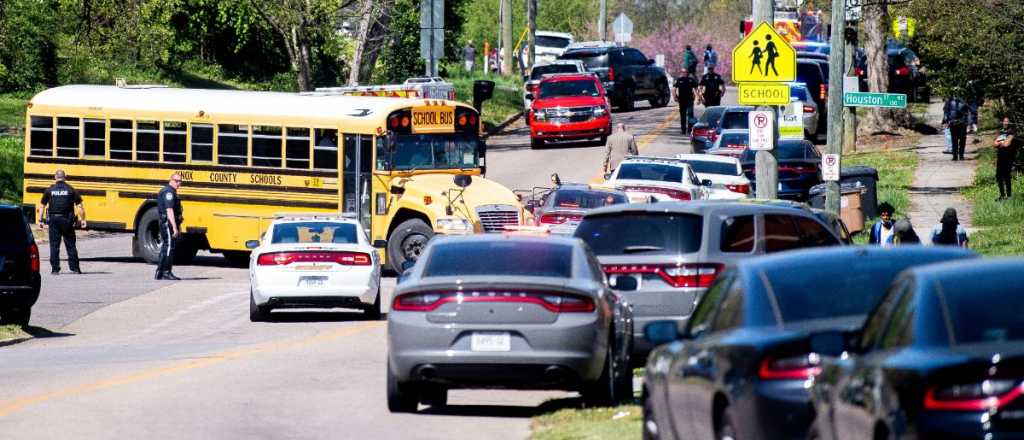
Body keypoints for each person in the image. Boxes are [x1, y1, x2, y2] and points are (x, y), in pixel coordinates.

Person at [36, 170, 85, 275]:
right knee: (71, 244)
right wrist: (83, 219)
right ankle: (75, 268)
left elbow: (42, 206)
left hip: (53, 220)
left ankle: (55, 269)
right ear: (65, 177)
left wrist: (40, 220)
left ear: (55, 177)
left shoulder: (49, 190)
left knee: (54, 245)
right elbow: (79, 206)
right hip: (67, 220)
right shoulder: (71, 190)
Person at [155, 173, 184, 281]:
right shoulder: (168, 192)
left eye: (180, 181)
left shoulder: (170, 191)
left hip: (167, 222)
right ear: (171, 180)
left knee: (165, 246)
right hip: (167, 223)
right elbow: (169, 210)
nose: (179, 184)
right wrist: (174, 227)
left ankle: (160, 272)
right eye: (177, 181)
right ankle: (167, 272)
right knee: (169, 247)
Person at [995, 116, 1017, 200]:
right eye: (1004, 121)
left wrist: (1000, 142)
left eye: (1007, 121)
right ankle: (1002, 195)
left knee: (1007, 176)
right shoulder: (1001, 132)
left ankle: (1009, 196)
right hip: (1000, 157)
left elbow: (1007, 144)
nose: (1005, 123)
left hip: (1008, 158)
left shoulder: (1012, 132)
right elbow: (994, 144)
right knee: (998, 176)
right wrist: (1002, 142)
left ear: (1010, 123)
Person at [942, 95, 970, 161]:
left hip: (962, 123)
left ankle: (961, 155)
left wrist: (967, 123)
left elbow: (967, 113)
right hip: (953, 123)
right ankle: (955, 156)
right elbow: (946, 111)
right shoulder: (949, 101)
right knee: (954, 140)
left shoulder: (964, 101)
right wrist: (946, 120)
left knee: (962, 140)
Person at [673, 68, 700, 134]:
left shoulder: (691, 80)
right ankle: (683, 129)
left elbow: (696, 89)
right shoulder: (679, 80)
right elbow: (674, 89)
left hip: (690, 100)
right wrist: (675, 96)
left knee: (690, 114)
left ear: (688, 73)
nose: (685, 73)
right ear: (681, 73)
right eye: (683, 72)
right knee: (683, 115)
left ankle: (690, 129)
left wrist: (698, 97)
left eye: (686, 72)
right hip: (682, 100)